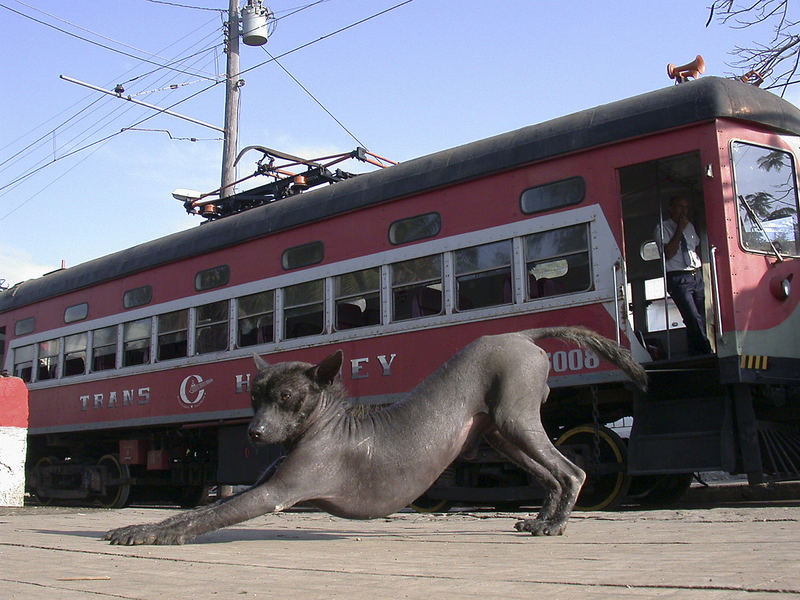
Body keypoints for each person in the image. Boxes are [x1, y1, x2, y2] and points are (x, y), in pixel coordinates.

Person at [654, 196, 712, 355]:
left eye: (686, 207)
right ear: (671, 208)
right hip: (678, 277)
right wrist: (679, 229)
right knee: (692, 317)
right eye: (680, 207)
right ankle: (706, 351)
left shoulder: (690, 227)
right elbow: (668, 253)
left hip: (695, 275)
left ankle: (695, 352)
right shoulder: (662, 228)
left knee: (699, 317)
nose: (683, 211)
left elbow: (695, 248)